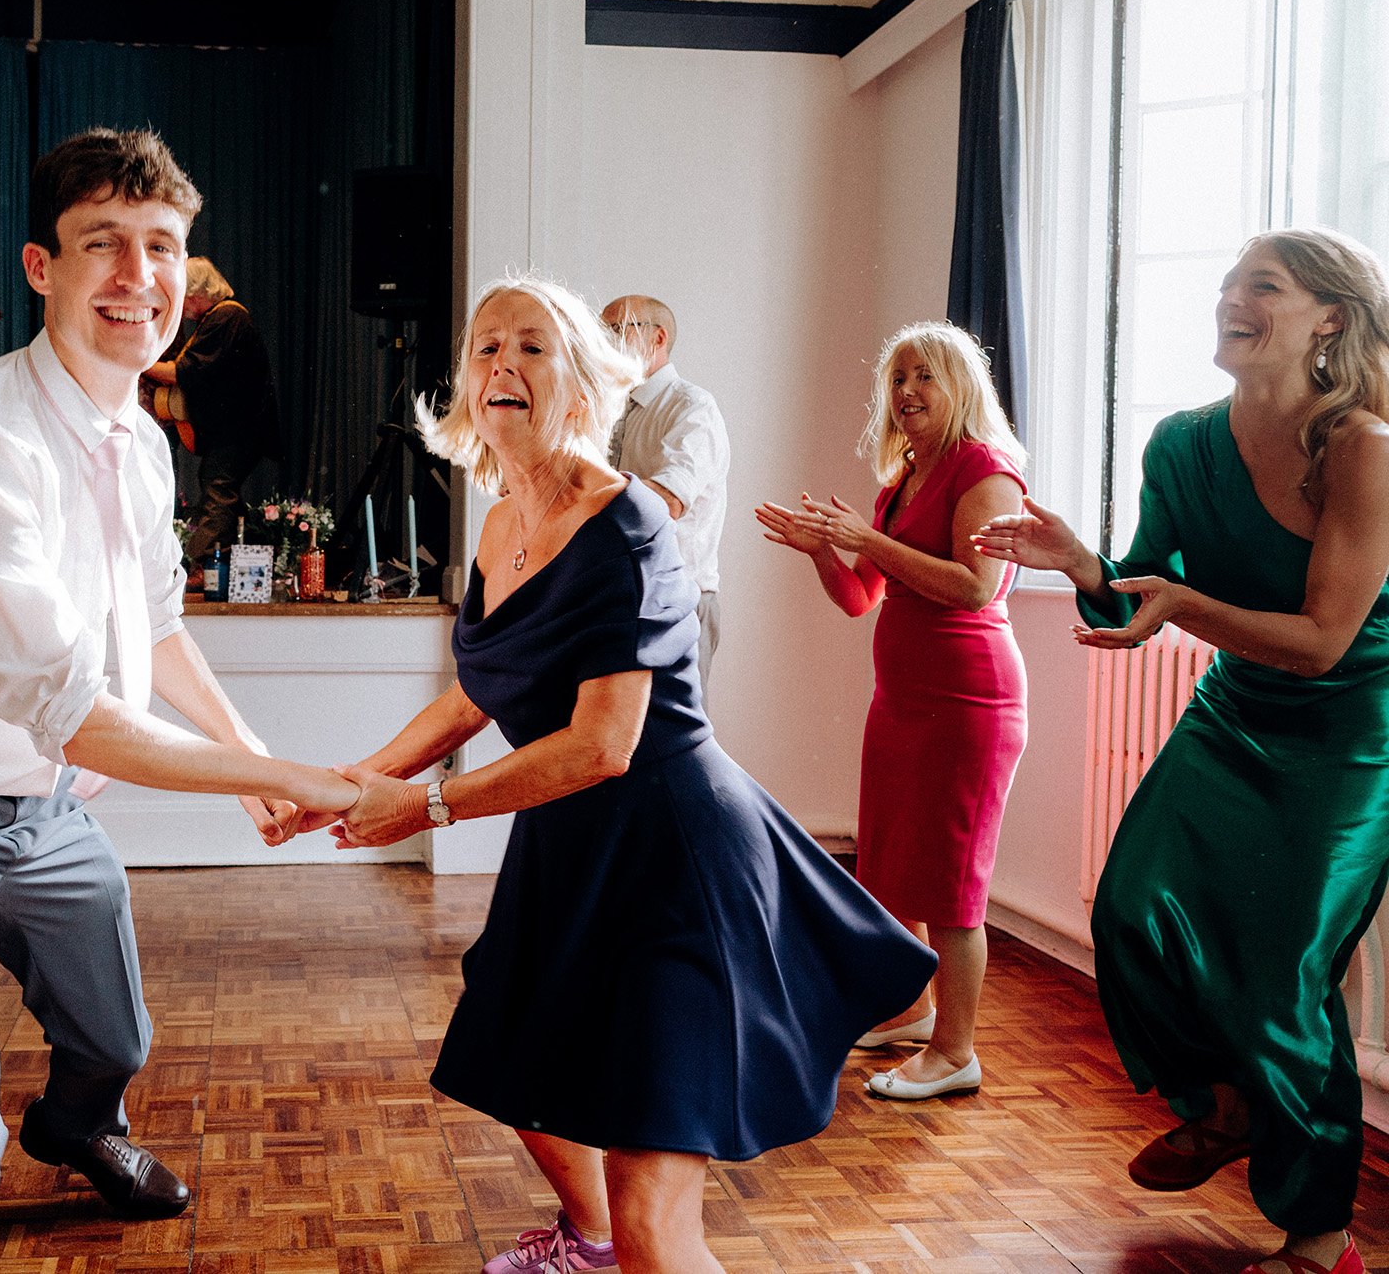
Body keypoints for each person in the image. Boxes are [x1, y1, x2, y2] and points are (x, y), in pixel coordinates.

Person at [0, 128, 360, 1274]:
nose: (137, 278)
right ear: (43, 269)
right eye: (103, 246)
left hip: (38, 812)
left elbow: (151, 629)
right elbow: (72, 708)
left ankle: (81, 1125)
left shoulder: (141, 440)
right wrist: (283, 775)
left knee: (115, 1038)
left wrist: (250, 754)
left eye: (160, 249)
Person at [306, 276, 936, 1274]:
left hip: (671, 859)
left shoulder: (627, 521)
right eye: (483, 347)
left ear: (584, 383)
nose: (501, 364)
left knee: (655, 1214)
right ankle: (585, 1239)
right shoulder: (501, 522)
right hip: (567, 847)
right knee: (508, 1062)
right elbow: (477, 693)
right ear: (464, 385)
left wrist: (418, 805)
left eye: (530, 346)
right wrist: (344, 784)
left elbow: (603, 743)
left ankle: (614, 1238)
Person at [975, 228, 1389, 1274]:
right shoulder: (1178, 442)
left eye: (1263, 286)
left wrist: (1180, 602)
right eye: (1224, 283)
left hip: (1350, 734)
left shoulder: (1362, 449)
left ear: (1329, 320)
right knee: (1129, 911)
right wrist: (1079, 560)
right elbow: (1137, 591)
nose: (1228, 299)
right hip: (1234, 710)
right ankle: (1227, 1105)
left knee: (1281, 978)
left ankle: (1320, 1234)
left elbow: (1320, 640)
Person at [755, 322, 1028, 1102]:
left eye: (923, 377)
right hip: (901, 704)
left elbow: (979, 586)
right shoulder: (901, 480)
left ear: (960, 387)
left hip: (969, 703)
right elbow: (858, 599)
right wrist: (823, 547)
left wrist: (867, 537)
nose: (906, 392)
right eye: (897, 379)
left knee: (951, 885)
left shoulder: (986, 471)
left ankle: (956, 1051)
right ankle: (911, 1008)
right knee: (889, 870)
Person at [599, 294, 729, 700]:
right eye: (602, 331)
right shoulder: (610, 410)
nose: (605, 341)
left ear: (658, 338)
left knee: (679, 746)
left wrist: (573, 494)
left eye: (618, 330)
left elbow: (667, 502)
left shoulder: (693, 408)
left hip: (678, 603)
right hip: (617, 601)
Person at [141, 257, 280, 568]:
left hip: (240, 429)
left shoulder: (226, 318)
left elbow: (185, 372)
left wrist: (139, 362)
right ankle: (245, 552)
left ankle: (197, 563)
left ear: (199, 291)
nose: (185, 306)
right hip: (240, 429)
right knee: (218, 484)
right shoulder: (222, 318)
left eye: (186, 297)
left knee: (218, 486)